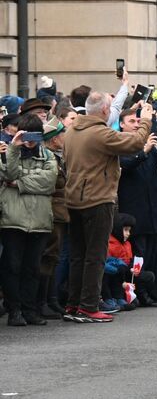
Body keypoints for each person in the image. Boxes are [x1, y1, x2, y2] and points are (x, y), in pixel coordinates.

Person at [64, 92, 152, 323]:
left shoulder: (72, 130)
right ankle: (89, 306)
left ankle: (73, 304)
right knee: (95, 255)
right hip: (97, 198)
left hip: (74, 198)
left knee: (78, 255)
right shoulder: (99, 133)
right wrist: (146, 120)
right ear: (104, 110)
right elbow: (134, 143)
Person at [0, 113, 58, 326]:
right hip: (13, 218)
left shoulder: (48, 156)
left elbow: (49, 182)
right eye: (26, 135)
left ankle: (30, 310)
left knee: (33, 268)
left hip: (40, 220)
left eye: (35, 135)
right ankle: (14, 310)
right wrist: (15, 147)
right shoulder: (8, 152)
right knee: (12, 266)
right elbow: (8, 174)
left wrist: (20, 184)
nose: (31, 140)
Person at [117, 107, 157, 302]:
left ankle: (150, 289)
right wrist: (144, 150)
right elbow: (126, 165)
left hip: (154, 206)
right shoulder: (120, 143)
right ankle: (137, 291)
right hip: (135, 207)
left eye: (138, 122)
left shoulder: (146, 140)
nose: (136, 125)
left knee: (153, 252)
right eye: (131, 121)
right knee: (138, 254)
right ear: (121, 124)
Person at [37, 117, 68, 319]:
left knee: (53, 257)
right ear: (53, 139)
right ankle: (41, 302)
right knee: (47, 257)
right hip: (51, 211)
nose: (65, 137)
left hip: (59, 211)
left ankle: (51, 299)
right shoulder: (47, 158)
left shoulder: (57, 157)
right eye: (61, 134)